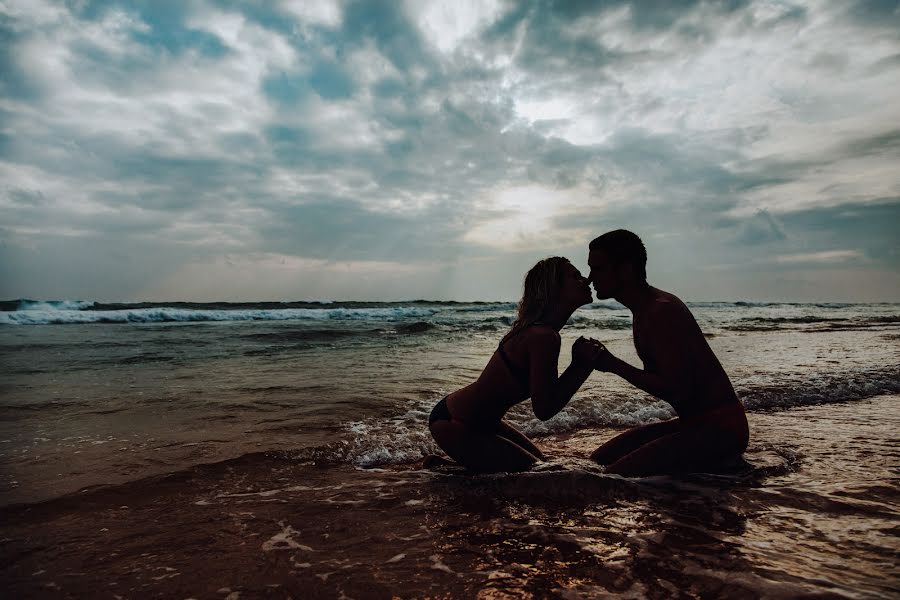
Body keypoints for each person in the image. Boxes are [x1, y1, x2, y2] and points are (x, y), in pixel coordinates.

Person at [584, 230, 749, 476]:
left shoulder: (661, 311)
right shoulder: (644, 308)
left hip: (720, 428)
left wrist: (613, 365)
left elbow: (678, 389)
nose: (590, 278)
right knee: (599, 459)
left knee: (612, 478)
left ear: (626, 270)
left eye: (597, 269)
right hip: (694, 423)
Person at [427, 257, 600, 473]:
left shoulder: (540, 331)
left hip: (477, 420)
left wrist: (581, 365)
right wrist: (580, 366)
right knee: (541, 473)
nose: (586, 280)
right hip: (458, 423)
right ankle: (459, 468)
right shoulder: (543, 336)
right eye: (575, 276)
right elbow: (544, 409)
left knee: (542, 463)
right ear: (554, 289)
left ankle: (453, 468)